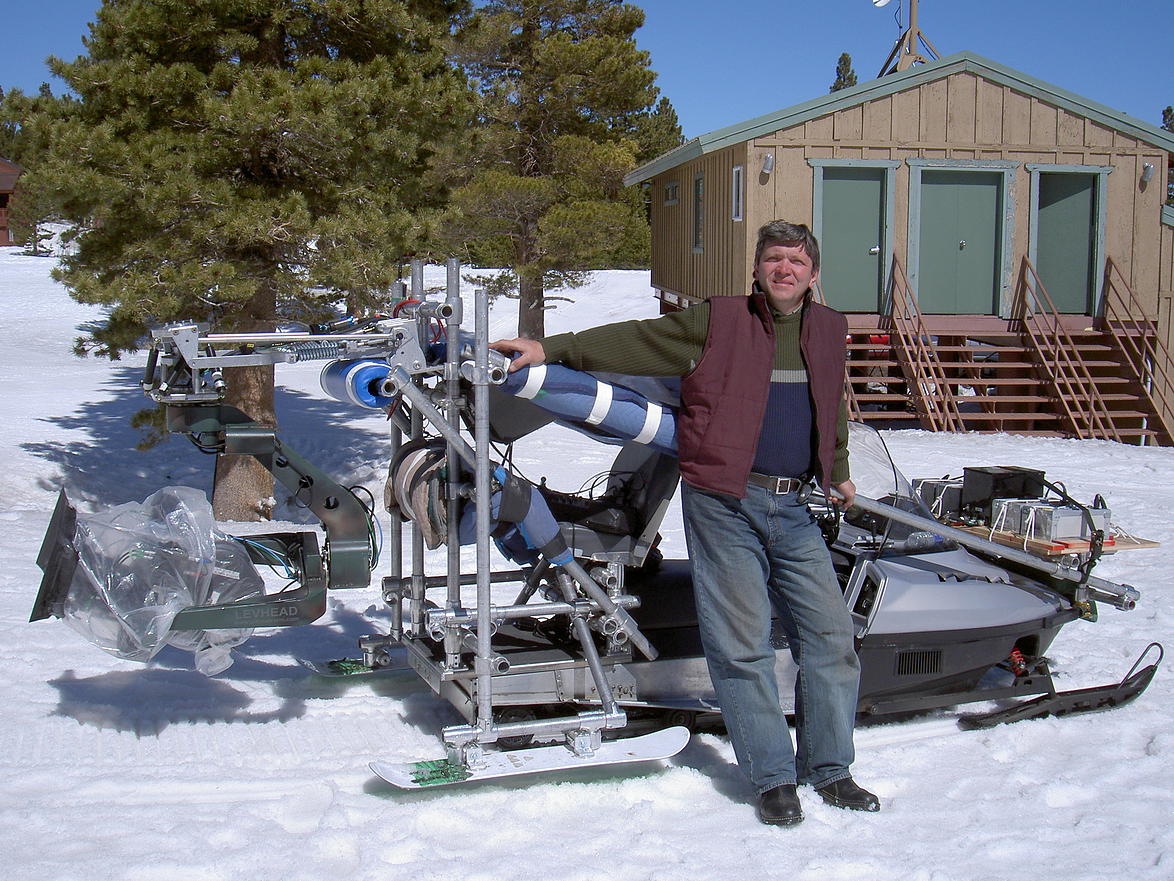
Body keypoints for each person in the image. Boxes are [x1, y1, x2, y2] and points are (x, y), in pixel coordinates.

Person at [491, 220, 878, 827]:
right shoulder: (717, 321)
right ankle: (773, 777)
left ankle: (830, 769)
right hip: (725, 502)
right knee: (742, 644)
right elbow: (635, 340)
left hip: (797, 504)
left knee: (830, 639)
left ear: (814, 273)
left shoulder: (829, 329)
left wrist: (842, 466)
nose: (785, 270)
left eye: (796, 262)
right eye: (774, 259)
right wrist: (552, 349)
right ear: (757, 268)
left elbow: (830, 404)